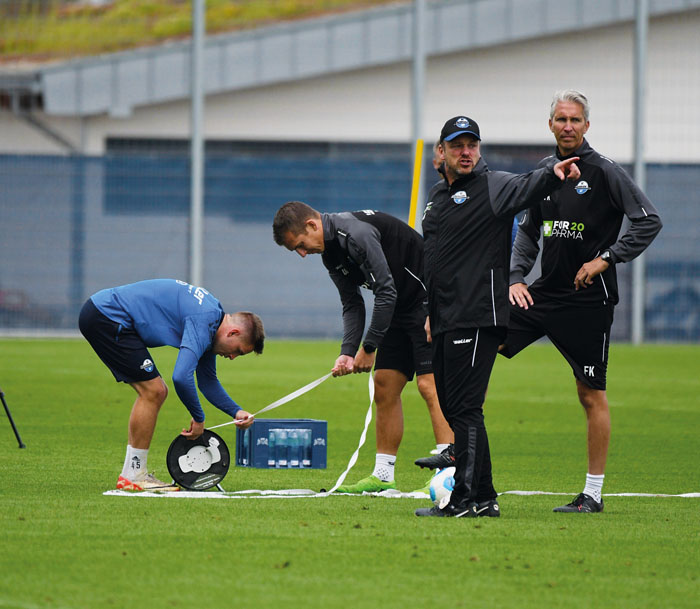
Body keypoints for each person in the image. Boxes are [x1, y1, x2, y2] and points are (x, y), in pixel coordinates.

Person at [500, 90, 663, 513]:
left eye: (575, 120)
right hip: (542, 294)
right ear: (550, 125)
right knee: (482, 342)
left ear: (586, 126)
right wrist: (517, 277)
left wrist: (606, 259)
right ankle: (460, 457)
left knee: (590, 393)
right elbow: (529, 229)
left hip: (588, 300)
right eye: (560, 119)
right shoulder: (544, 172)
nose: (567, 126)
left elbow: (648, 221)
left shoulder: (606, 172)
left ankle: (592, 493)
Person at [416, 115, 582, 517]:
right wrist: (428, 313)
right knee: (457, 409)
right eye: (457, 145)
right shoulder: (437, 198)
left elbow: (529, 184)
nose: (466, 151)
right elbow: (434, 264)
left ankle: (465, 500)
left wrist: (554, 173)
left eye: (472, 144)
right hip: (445, 317)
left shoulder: (494, 186)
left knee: (465, 408)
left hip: (477, 316)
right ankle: (485, 498)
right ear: (441, 152)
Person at [272, 202, 453, 493]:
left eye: (301, 246)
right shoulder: (329, 254)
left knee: (429, 385)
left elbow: (385, 289)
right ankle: (383, 475)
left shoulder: (355, 233)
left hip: (429, 301)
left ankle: (449, 474)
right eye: (297, 251)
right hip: (397, 308)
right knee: (384, 384)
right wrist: (347, 351)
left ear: (311, 226)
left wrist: (369, 347)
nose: (303, 254)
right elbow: (352, 303)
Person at [78, 279, 265, 491]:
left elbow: (208, 381)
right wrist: (199, 418)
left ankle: (133, 473)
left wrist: (236, 411)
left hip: (104, 313)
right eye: (238, 351)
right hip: (107, 316)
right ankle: (133, 475)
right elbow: (181, 377)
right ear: (233, 333)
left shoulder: (212, 318)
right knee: (154, 391)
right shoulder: (204, 319)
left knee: (154, 391)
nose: (232, 357)